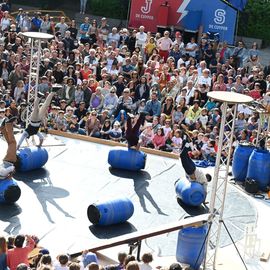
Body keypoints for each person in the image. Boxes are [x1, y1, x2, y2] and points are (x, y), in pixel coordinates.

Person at [0, 113, 17, 179]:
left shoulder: (3, 173)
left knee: (13, 143)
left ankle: (8, 125)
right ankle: (2, 129)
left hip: (10, 160)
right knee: (10, 143)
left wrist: (10, 176)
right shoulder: (2, 173)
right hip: (6, 160)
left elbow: (13, 168)